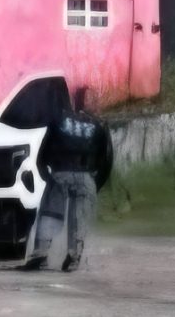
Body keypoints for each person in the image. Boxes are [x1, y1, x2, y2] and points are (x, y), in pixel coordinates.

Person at [21, 86, 113, 273]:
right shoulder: (100, 126)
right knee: (79, 217)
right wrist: (95, 184)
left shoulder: (59, 120)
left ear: (75, 101)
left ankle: (40, 253)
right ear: (94, 103)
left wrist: (47, 176)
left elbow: (42, 153)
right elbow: (106, 160)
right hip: (85, 176)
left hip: (60, 173)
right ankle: (74, 257)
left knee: (50, 214)